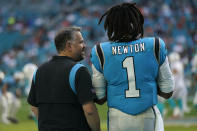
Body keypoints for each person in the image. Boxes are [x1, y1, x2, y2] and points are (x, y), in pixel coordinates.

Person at [91, 2, 174, 131]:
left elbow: (100, 97)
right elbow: (168, 91)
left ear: (112, 25)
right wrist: (147, 85)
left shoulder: (100, 50)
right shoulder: (155, 44)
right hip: (147, 115)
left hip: (117, 117)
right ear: (136, 23)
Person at [27, 27, 100, 131]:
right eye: (81, 42)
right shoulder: (79, 71)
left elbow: (34, 108)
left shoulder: (39, 71)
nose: (84, 46)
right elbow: (89, 110)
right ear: (69, 45)